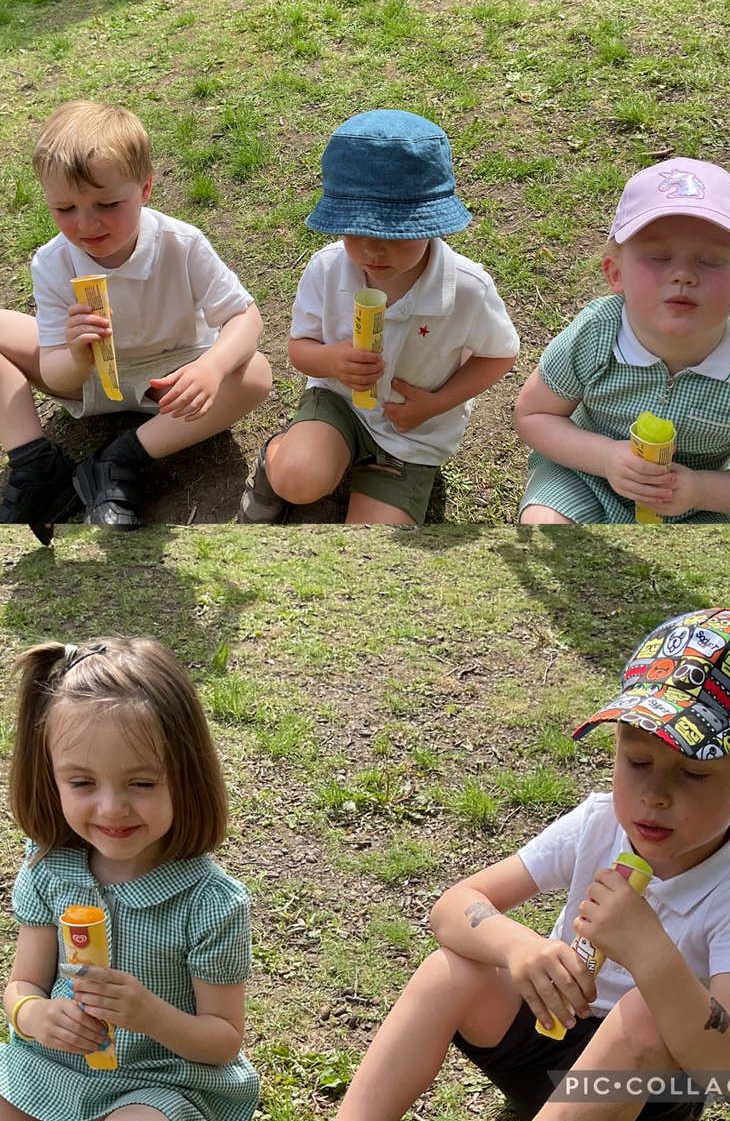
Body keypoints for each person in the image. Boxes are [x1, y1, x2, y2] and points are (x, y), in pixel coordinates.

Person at [333, 606, 730, 1121]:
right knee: (447, 972)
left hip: (641, 1090)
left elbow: (727, 1064)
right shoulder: (599, 823)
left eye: (693, 773)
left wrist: (648, 950)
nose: (654, 795)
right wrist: (519, 946)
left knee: (643, 1016)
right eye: (637, 762)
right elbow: (452, 908)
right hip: (550, 1036)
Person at [0, 637, 260, 1121]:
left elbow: (223, 1040)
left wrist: (149, 1014)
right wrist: (34, 1015)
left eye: (141, 783)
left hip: (160, 1079)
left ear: (186, 777)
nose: (111, 808)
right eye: (82, 783)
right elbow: (22, 984)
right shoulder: (49, 868)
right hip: (50, 1066)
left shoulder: (210, 903)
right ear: (51, 778)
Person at [0, 100, 272, 540]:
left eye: (107, 203)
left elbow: (245, 317)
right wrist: (77, 356)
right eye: (65, 209)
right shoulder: (53, 263)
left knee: (255, 374)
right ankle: (36, 465)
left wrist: (212, 367)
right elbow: (54, 372)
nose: (86, 224)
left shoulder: (181, 244)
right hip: (90, 379)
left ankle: (120, 459)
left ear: (145, 189)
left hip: (172, 378)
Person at [238, 109, 519, 526]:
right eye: (354, 230)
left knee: (375, 543)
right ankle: (273, 460)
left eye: (393, 232)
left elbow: (499, 354)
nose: (372, 250)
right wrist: (332, 360)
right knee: (298, 478)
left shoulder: (466, 288)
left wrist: (436, 404)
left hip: (413, 432)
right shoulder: (327, 268)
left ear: (431, 224)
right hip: (339, 403)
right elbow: (299, 349)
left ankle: (381, 479)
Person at [514, 158, 730, 523]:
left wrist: (700, 489)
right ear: (615, 273)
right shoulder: (596, 332)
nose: (683, 275)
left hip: (697, 504)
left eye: (710, 260)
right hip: (584, 475)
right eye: (659, 257)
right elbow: (534, 414)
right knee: (546, 529)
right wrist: (606, 457)